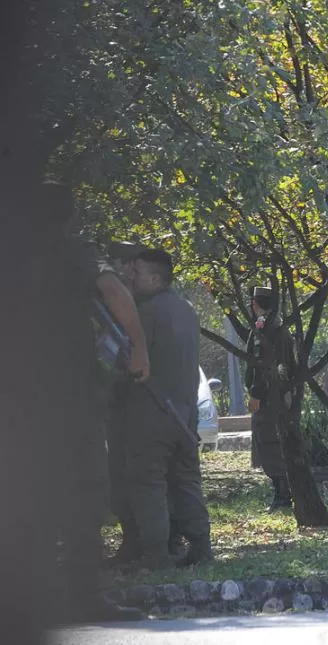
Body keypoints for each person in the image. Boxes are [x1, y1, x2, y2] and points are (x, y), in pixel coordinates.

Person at [39, 183, 147, 622]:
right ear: (70, 217)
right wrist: (139, 345)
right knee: (84, 490)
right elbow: (114, 291)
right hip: (68, 392)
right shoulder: (73, 252)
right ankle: (83, 595)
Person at [124, 249, 212, 568]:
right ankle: (202, 548)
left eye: (137, 272)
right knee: (186, 481)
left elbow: (127, 361)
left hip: (151, 412)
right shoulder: (186, 310)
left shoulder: (144, 313)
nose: (130, 277)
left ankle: (157, 554)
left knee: (148, 482)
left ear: (156, 278)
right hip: (185, 416)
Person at [244, 286, 297, 513]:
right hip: (279, 393)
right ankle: (282, 493)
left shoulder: (265, 328)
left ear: (255, 303)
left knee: (269, 444)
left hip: (268, 396)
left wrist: (257, 393)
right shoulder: (278, 325)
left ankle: (282, 495)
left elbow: (261, 362)